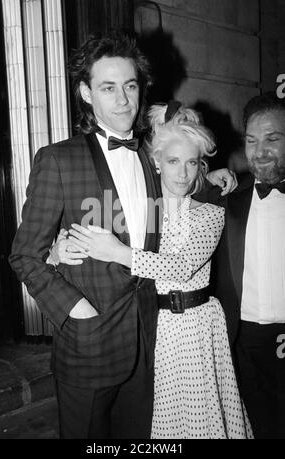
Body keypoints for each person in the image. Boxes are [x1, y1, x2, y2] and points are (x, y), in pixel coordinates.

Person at [9, 30, 236, 439]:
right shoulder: (58, 160)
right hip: (89, 343)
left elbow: (182, 180)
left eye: (130, 86)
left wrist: (216, 177)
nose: (122, 99)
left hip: (150, 344)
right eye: (108, 87)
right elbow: (24, 256)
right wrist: (73, 307)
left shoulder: (151, 158)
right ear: (85, 92)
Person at [50, 102, 253, 439]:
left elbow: (181, 266)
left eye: (192, 163)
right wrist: (58, 251)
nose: (182, 173)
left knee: (201, 422)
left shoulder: (209, 214)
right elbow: (87, 231)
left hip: (196, 328)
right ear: (157, 163)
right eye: (173, 162)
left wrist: (119, 252)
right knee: (159, 423)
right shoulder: (142, 213)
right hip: (151, 328)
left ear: (201, 165)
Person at [211, 92, 285, 439]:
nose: (260, 151)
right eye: (252, 141)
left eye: (273, 139)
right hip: (243, 343)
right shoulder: (230, 200)